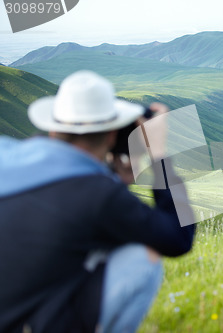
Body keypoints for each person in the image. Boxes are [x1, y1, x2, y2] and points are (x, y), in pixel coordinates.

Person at [0, 70, 196, 332]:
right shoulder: (98, 195)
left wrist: (114, 180)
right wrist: (158, 155)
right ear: (112, 135)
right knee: (143, 257)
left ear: (53, 130)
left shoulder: (6, 152)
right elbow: (178, 237)